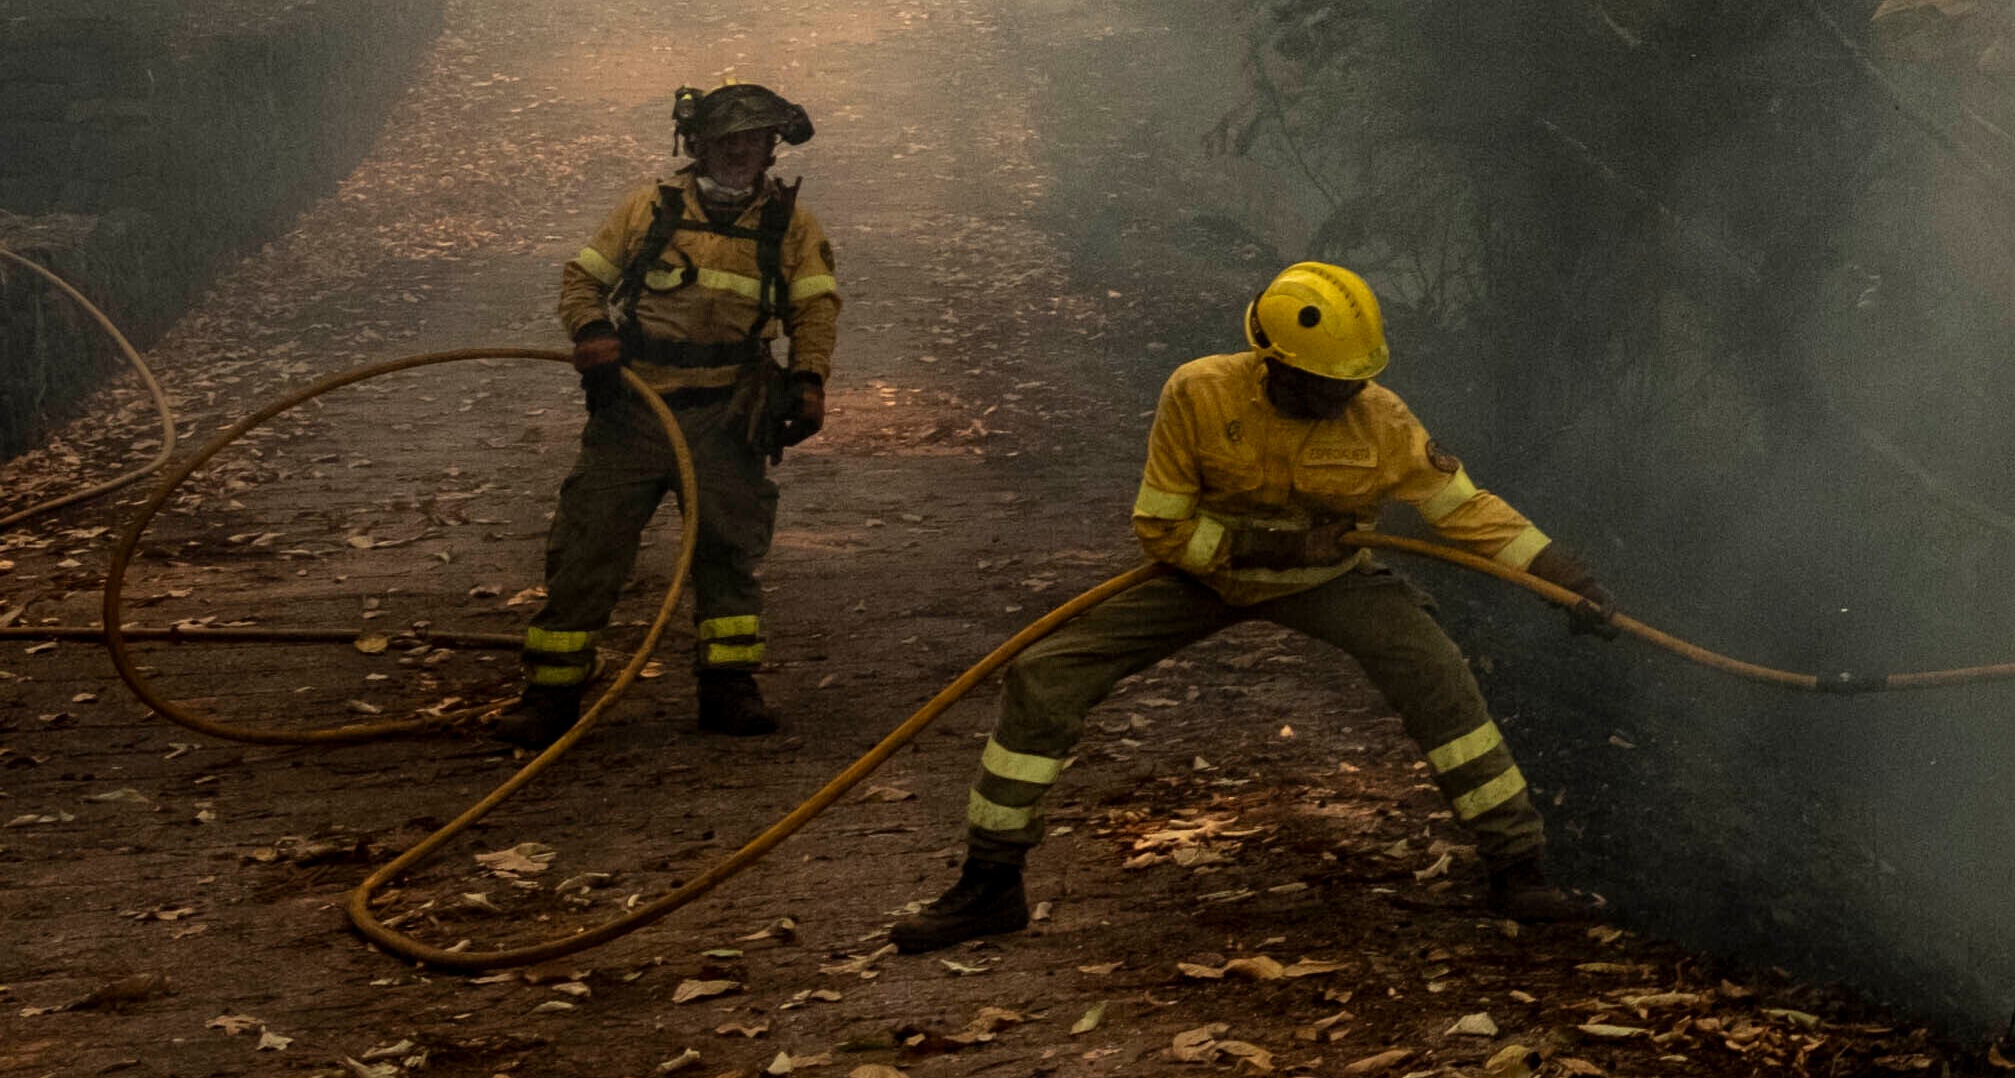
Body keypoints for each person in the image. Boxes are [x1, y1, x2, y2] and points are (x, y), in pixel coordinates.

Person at [886, 261, 1618, 950]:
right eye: (1328, 385)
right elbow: (1162, 528)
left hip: (1333, 586)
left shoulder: (1381, 417)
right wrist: (1276, 550)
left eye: (1355, 382)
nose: (1345, 398)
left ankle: (1519, 872)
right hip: (1204, 581)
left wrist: (1564, 578)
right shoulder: (1198, 394)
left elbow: (1462, 510)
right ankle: (989, 883)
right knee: (1046, 676)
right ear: (1276, 363)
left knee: (1440, 678)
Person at [516, 79, 846, 742]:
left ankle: (728, 691)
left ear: (770, 150)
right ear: (699, 145)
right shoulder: (648, 208)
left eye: (753, 141)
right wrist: (591, 334)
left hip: (730, 414)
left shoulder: (790, 225)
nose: (740, 153)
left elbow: (815, 306)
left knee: (728, 553)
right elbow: (583, 278)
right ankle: (548, 700)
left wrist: (809, 379)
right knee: (588, 549)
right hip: (634, 410)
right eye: (727, 141)